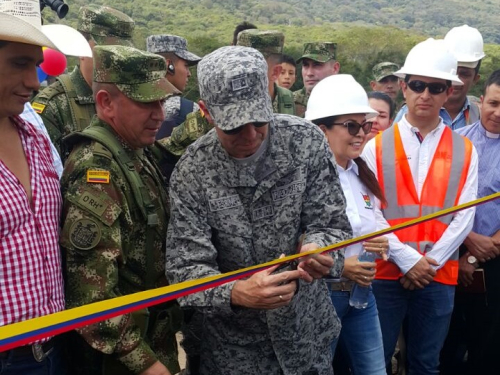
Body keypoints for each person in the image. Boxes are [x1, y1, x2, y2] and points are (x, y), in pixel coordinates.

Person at [165, 46, 352, 375]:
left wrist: (320, 249)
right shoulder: (192, 171)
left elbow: (333, 226)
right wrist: (236, 292)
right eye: (234, 127)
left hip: (305, 340)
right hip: (233, 353)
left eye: (258, 119)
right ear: (207, 112)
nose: (250, 135)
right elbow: (185, 271)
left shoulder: (305, 142)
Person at [60, 45, 183, 375]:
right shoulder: (96, 171)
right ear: (105, 103)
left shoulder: (136, 152)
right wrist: (147, 366)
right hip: (120, 360)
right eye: (146, 102)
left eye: (161, 101)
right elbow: (92, 296)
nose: (159, 113)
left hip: (152, 338)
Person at [362, 38, 478, 375]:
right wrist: (408, 260)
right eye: (417, 85)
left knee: (426, 364)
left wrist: (430, 262)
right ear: (404, 87)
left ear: (448, 92)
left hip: (438, 274)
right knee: (375, 363)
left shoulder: (465, 149)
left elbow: (465, 214)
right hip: (384, 270)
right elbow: (371, 214)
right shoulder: (376, 148)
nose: (425, 94)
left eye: (435, 87)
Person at [0, 0, 89, 373]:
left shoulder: (33, 135)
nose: (35, 82)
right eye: (20, 64)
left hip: (55, 349)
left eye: (35, 66)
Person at [306, 74, 390, 375]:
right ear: (321, 129)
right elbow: (295, 242)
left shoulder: (360, 173)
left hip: (363, 296)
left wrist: (383, 243)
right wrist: (341, 265)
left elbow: (375, 221)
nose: (361, 134)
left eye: (365, 126)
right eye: (351, 126)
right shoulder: (303, 179)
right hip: (319, 297)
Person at [440, 70, 500, 375]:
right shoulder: (458, 141)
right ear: (481, 100)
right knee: (446, 341)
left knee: (487, 346)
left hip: (494, 259)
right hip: (450, 252)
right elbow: (442, 201)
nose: (497, 113)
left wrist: (475, 254)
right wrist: (466, 243)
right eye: (493, 103)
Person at [32, 5, 135, 161]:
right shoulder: (53, 106)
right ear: (82, 47)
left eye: (122, 53)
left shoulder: (127, 98)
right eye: (106, 51)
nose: (115, 60)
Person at [393, 26, 484, 130]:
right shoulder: (409, 113)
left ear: (475, 79)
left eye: (464, 74)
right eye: (453, 74)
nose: (456, 80)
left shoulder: (479, 115)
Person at [146, 34, 201, 138]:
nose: (189, 73)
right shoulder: (188, 109)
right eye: (186, 66)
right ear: (168, 66)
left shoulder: (129, 105)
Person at [237, 29, 296, 115]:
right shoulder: (228, 100)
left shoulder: (287, 98)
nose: (242, 70)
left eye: (251, 66)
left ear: (275, 72)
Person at [293, 42, 339, 117]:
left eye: (317, 65)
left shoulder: (347, 103)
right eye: (305, 65)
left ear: (335, 68)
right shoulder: (287, 104)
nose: (309, 73)